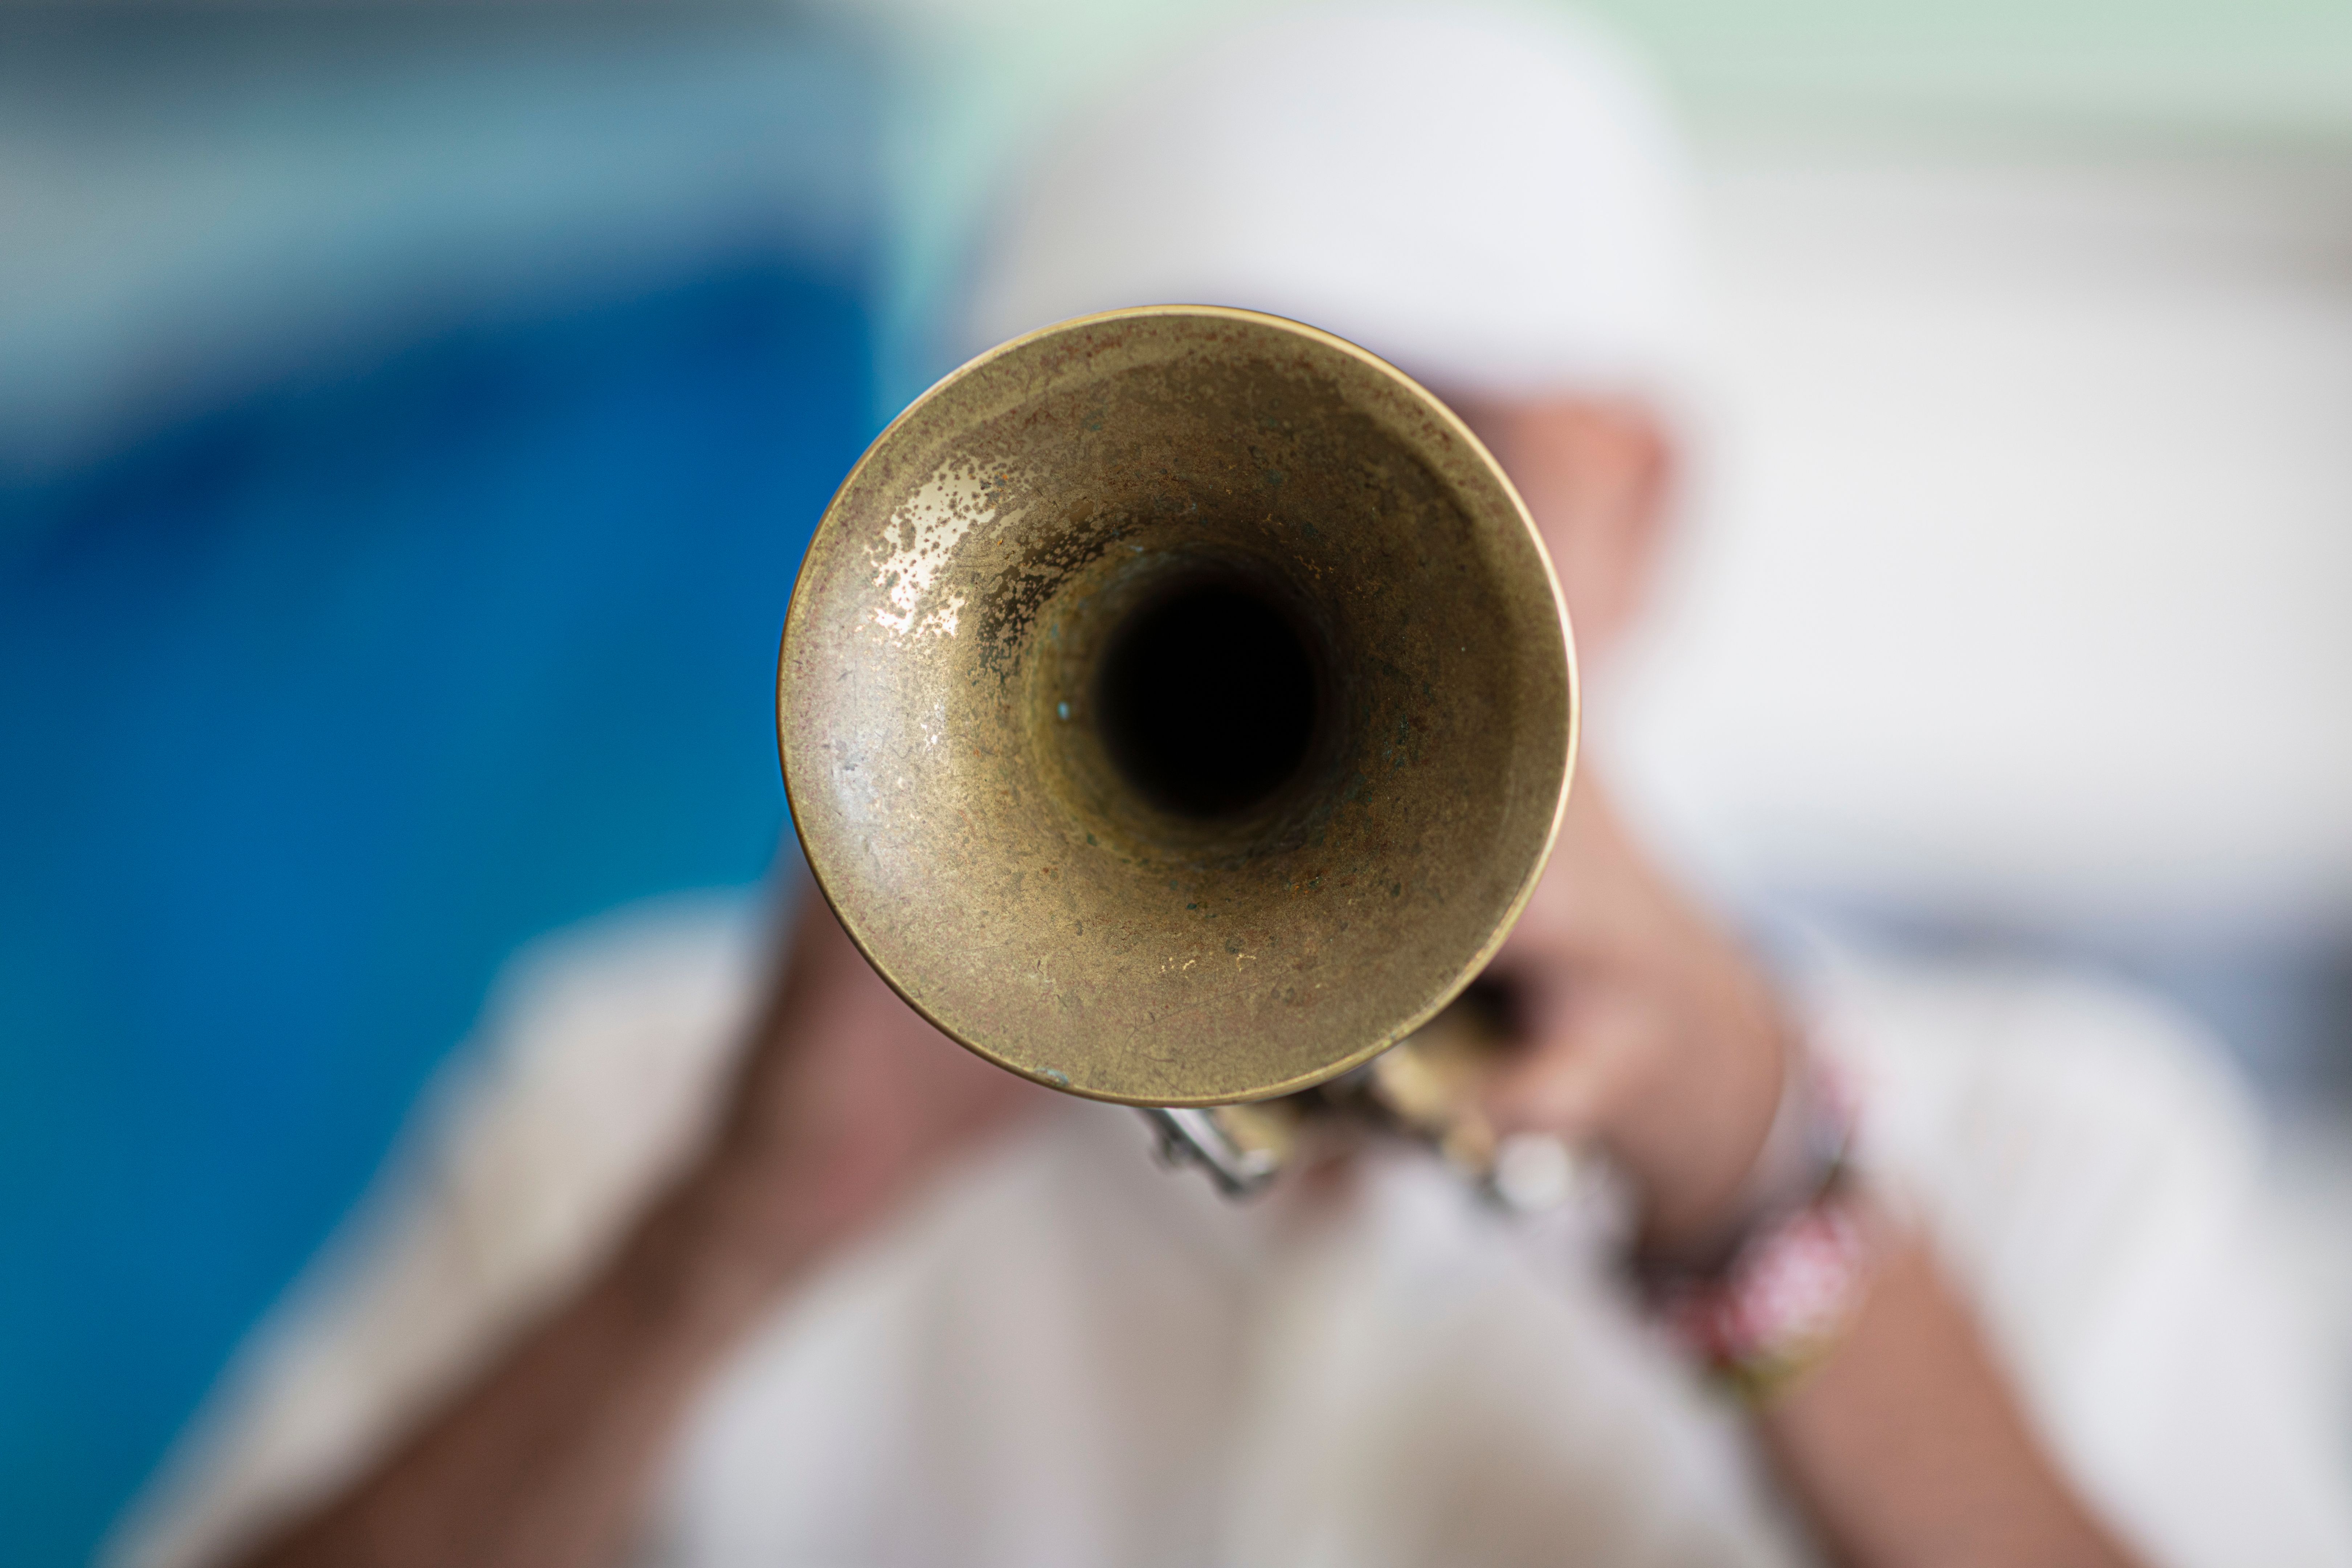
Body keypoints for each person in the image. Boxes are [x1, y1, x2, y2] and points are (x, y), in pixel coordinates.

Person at [110, 8, 2352, 1568]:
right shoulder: (633, 1092)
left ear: (1643, 505)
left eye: (1422, 460)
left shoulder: (2064, 1146)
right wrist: (713, 1251)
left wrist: (1762, 1201)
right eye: (1155, 474)